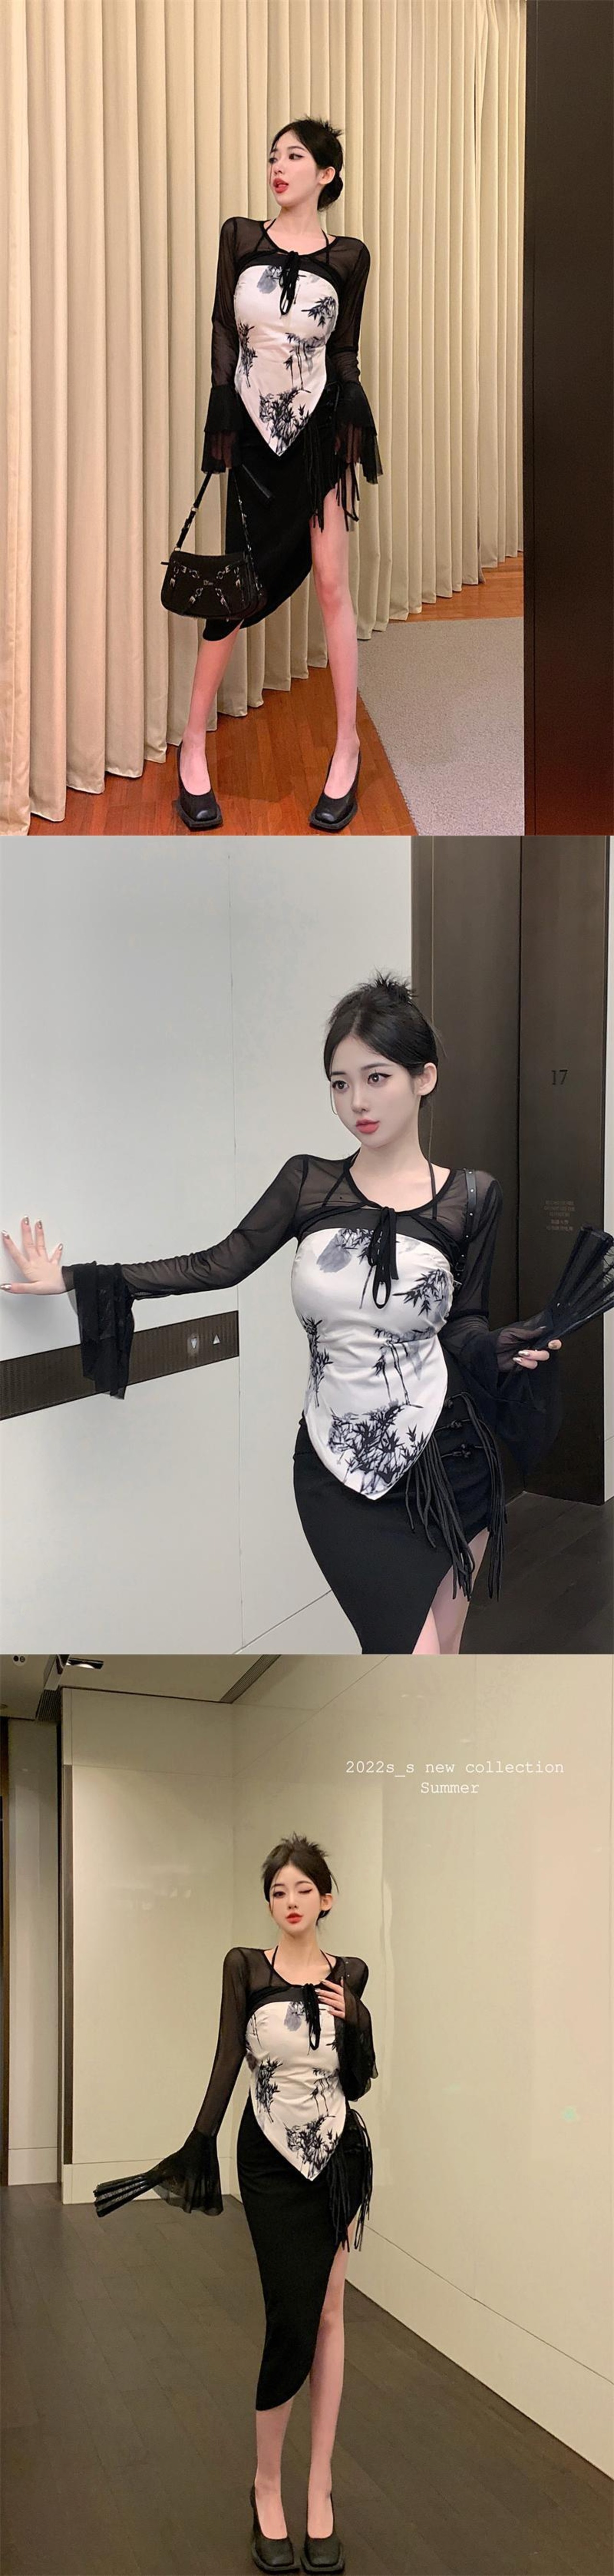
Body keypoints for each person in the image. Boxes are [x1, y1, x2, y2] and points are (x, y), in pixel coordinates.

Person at [4, 974, 612, 1656]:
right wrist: (76, 1278)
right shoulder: (308, 1183)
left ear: (424, 1078)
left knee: (441, 1663)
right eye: (339, 1083)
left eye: (376, 1078)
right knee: (411, 1659)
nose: (357, 1102)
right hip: (334, 1465)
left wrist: (501, 1346)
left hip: (450, 1460)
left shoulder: (472, 1198)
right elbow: (218, 1264)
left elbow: (464, 1323)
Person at [93, 1836, 377, 2576]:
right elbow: (227, 2057)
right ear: (270, 1902)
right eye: (279, 1890)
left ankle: (319, 2489)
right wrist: (197, 2143)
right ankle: (266, 2485)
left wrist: (358, 2016)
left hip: (338, 2160)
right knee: (290, 2316)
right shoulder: (245, 1966)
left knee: (330, 2311)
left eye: (304, 1889)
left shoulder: (350, 1972)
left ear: (327, 1898)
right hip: (269, 2158)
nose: (291, 1901)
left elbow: (358, 2081)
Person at [174, 118, 381, 835]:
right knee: (234, 591)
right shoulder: (240, 237)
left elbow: (344, 348)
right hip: (255, 437)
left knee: (332, 585)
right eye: (273, 156)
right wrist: (220, 408)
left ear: (326, 174)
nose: (278, 166)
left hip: (318, 439)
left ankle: (347, 746)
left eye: (294, 155)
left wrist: (354, 404)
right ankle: (192, 744)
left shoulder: (349, 257)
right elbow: (224, 329)